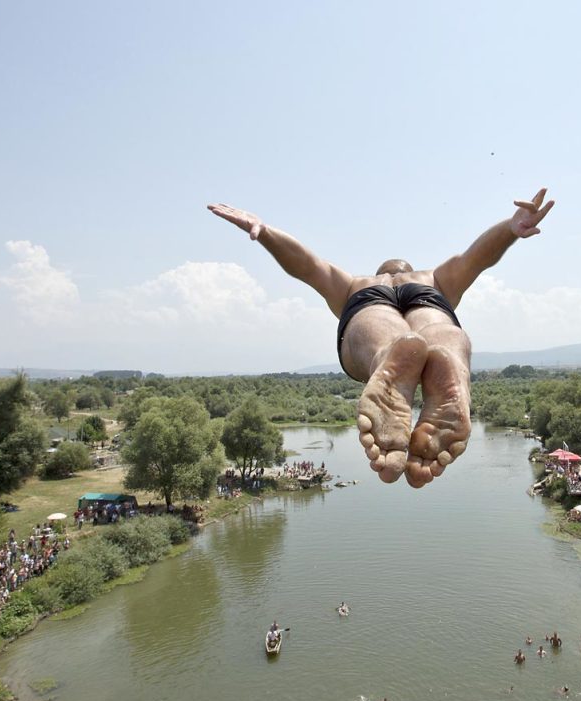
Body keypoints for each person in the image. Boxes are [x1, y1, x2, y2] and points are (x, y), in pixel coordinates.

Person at [208, 189, 555, 487]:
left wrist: (266, 232)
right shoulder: (434, 276)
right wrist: (509, 229)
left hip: (366, 302)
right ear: (407, 270)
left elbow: (308, 266)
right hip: (430, 296)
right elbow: (475, 259)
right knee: (442, 335)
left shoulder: (354, 283)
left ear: (381, 272)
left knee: (382, 335)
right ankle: (451, 368)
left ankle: (388, 356)